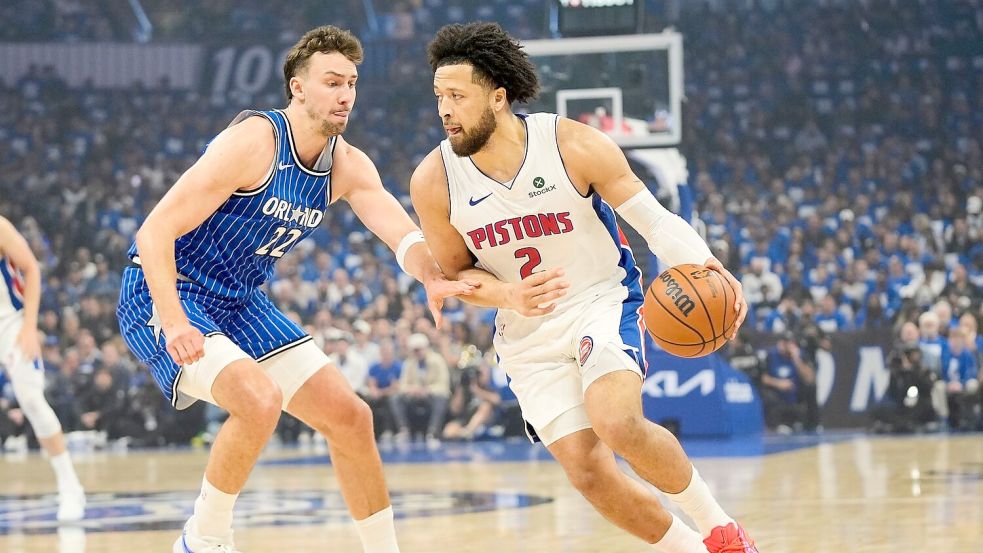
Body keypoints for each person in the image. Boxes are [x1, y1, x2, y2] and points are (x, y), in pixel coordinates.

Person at [115, 26, 473, 553]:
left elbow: (399, 230)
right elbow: (153, 232)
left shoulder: (345, 164)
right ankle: (203, 540)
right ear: (297, 88)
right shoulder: (256, 141)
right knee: (259, 401)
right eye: (332, 82)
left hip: (239, 300)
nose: (346, 94)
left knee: (352, 419)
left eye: (351, 82)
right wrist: (174, 321)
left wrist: (431, 274)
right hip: (167, 289)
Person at [410, 22, 756, 553]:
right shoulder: (433, 180)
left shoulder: (570, 143)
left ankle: (720, 530)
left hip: (599, 298)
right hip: (525, 332)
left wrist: (711, 266)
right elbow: (457, 277)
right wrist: (508, 297)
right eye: (439, 97)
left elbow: (654, 222)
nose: (444, 110)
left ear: (498, 97)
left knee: (616, 420)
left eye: (457, 96)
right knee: (589, 475)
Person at [0, 215, 86, 521]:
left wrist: (29, 325)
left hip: (11, 323)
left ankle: (69, 484)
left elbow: (32, 269)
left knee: (32, 401)